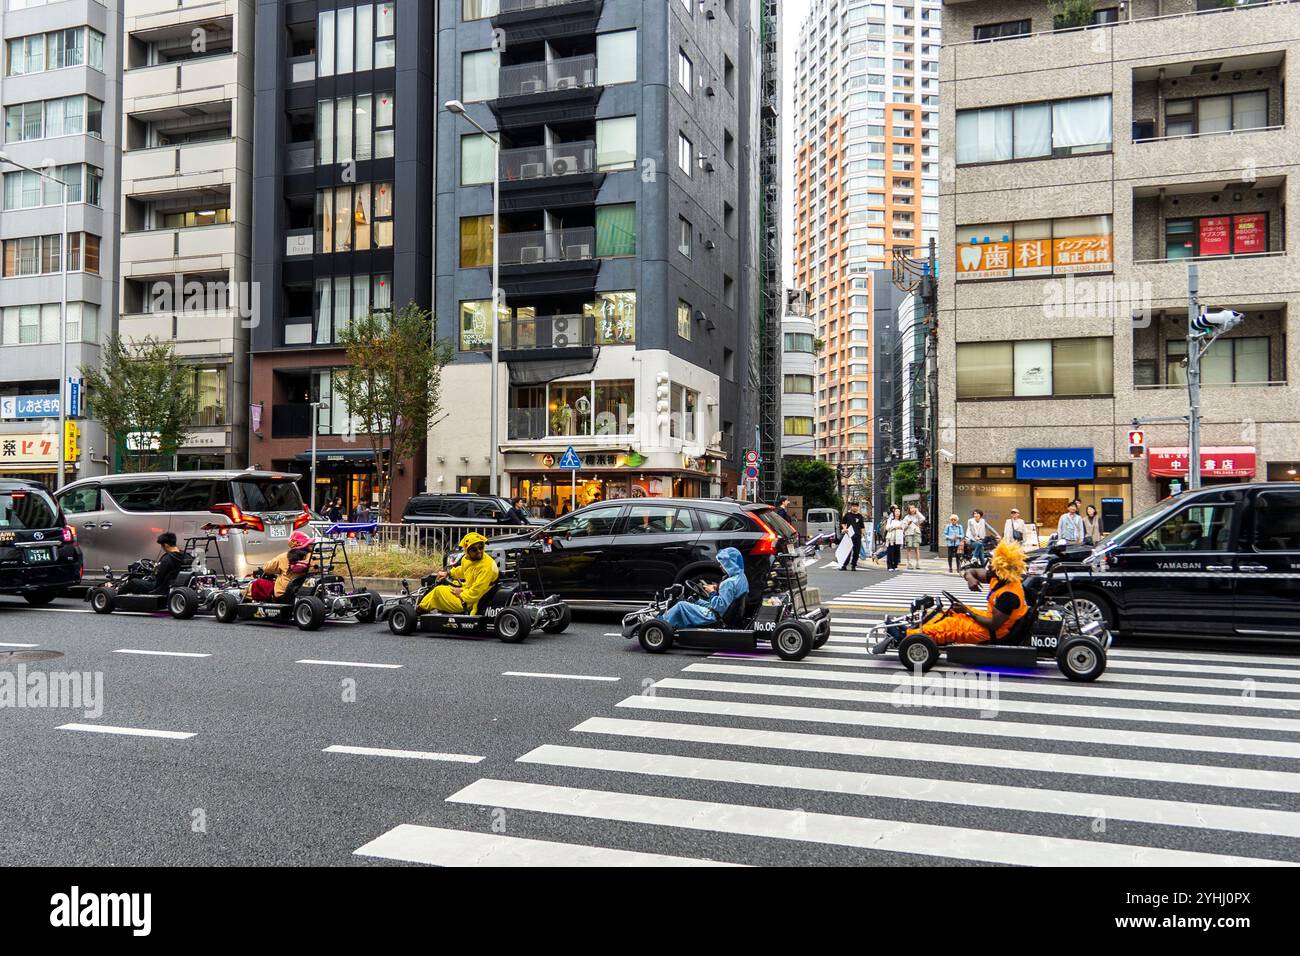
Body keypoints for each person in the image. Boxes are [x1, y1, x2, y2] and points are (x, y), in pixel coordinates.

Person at [900, 540, 1028, 646]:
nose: (988, 566)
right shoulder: (998, 577)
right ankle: (917, 632)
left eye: (992, 565)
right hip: (990, 620)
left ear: (1001, 569)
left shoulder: (1009, 595)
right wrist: (970, 578)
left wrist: (967, 612)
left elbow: (993, 625)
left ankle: (909, 638)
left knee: (952, 625)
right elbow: (972, 572)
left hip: (995, 632)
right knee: (952, 612)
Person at [659, 548, 749, 628]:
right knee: (695, 600)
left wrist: (712, 592)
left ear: (730, 564)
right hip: (728, 612)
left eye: (723, 564)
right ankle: (674, 622)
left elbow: (719, 607)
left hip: (715, 615)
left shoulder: (728, 583)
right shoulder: (741, 577)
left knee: (681, 605)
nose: (721, 566)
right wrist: (717, 588)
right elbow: (731, 593)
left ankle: (661, 623)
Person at [420, 532, 500, 614]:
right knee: (448, 584)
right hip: (467, 590)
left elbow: (475, 594)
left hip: (470, 602)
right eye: (474, 549)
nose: (479, 551)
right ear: (467, 551)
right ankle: (424, 605)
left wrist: (460, 594)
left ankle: (419, 610)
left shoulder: (486, 567)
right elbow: (463, 570)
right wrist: (448, 573)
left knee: (438, 592)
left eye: (481, 547)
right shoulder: (467, 559)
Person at [245, 530, 315, 601]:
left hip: (284, 595)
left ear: (293, 543)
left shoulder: (284, 557)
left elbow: (266, 568)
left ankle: (243, 595)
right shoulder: (314, 557)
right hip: (306, 591)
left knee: (259, 583)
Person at [116, 532, 189, 595]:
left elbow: (159, 577)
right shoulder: (186, 556)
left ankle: (116, 595)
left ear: (166, 545)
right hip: (175, 584)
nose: (162, 548)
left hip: (159, 587)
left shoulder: (167, 559)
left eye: (162, 546)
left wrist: (151, 575)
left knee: (134, 581)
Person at [840, 501, 867, 571]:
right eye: (853, 506)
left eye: (856, 506)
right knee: (848, 551)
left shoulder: (860, 516)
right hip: (849, 536)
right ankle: (844, 565)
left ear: (858, 507)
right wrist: (845, 528)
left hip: (857, 536)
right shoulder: (847, 515)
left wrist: (862, 534)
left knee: (856, 552)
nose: (854, 507)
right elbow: (843, 523)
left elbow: (862, 527)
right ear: (851, 507)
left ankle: (853, 565)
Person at [902, 504, 925, 570]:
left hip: (916, 533)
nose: (912, 509)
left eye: (913, 508)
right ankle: (909, 563)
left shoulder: (917, 516)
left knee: (916, 548)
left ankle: (918, 563)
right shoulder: (906, 517)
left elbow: (923, 518)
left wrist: (917, 512)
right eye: (911, 508)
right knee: (909, 549)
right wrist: (908, 524)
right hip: (909, 533)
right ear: (908, 510)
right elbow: (903, 527)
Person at [884, 505, 905, 571]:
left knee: (897, 552)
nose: (897, 513)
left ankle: (895, 565)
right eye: (896, 511)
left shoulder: (901, 521)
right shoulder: (890, 520)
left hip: (898, 538)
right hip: (891, 538)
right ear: (894, 512)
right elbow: (887, 528)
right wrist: (895, 527)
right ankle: (889, 566)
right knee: (890, 551)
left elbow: (903, 528)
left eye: (899, 511)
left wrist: (901, 528)